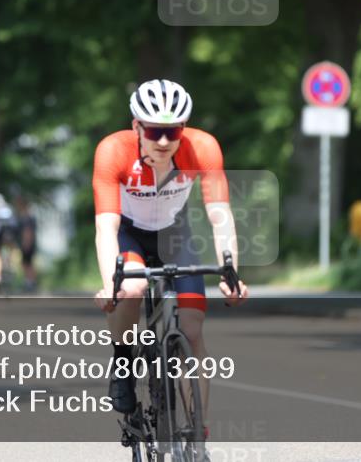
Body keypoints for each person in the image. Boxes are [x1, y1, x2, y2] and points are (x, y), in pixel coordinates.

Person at [92, 79, 249, 426]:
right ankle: (122, 362)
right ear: (136, 126)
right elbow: (106, 228)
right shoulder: (112, 151)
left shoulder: (203, 147)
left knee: (192, 331)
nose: (164, 141)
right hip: (130, 233)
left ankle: (198, 435)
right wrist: (110, 285)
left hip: (174, 233)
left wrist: (231, 272)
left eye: (173, 131)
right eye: (154, 131)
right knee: (130, 290)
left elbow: (220, 215)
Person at [12, 193, 38, 292]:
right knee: (26, 263)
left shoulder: (26, 217)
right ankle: (29, 281)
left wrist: (26, 243)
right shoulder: (27, 216)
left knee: (27, 263)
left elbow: (28, 232)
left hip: (27, 243)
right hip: (27, 243)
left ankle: (30, 281)